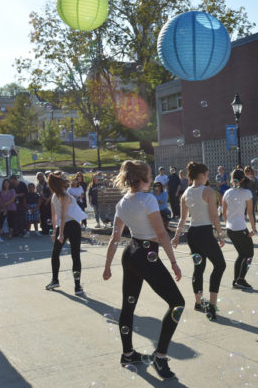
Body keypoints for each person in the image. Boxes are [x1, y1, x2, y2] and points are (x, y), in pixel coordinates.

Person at [103, 160, 184, 380]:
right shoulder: (147, 199)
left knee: (128, 306)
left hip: (130, 253)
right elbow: (160, 233)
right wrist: (174, 262)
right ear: (143, 178)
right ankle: (160, 355)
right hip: (146, 254)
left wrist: (108, 265)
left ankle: (128, 353)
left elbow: (115, 237)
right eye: (150, 174)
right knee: (178, 303)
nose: (153, 179)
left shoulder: (123, 202)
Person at [172, 162, 225, 320]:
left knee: (199, 268)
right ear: (202, 175)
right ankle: (212, 304)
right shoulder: (207, 190)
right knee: (220, 265)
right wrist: (220, 234)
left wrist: (176, 236)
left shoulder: (185, 192)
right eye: (207, 174)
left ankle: (198, 301)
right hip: (204, 232)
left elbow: (183, 218)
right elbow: (214, 215)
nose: (208, 177)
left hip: (192, 233)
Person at [45, 171, 87, 295]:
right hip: (72, 225)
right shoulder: (64, 195)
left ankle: (55, 280)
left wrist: (56, 231)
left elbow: (55, 216)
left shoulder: (55, 196)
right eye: (64, 177)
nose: (66, 179)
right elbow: (61, 215)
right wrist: (60, 233)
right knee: (75, 255)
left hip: (64, 226)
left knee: (55, 253)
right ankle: (77, 287)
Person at [222, 169, 256, 290]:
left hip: (230, 229)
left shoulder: (227, 193)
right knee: (249, 254)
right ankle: (240, 279)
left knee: (241, 254)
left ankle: (236, 281)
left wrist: (227, 224)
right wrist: (253, 229)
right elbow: (250, 213)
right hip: (240, 228)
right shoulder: (247, 193)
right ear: (242, 179)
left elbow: (223, 213)